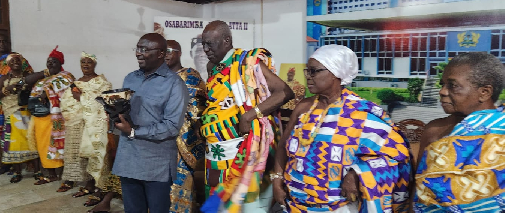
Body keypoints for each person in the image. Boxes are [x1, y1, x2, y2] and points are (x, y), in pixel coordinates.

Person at [272, 45, 411, 213]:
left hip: (338, 207)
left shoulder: (360, 112)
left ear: (335, 73)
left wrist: (357, 173)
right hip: (294, 204)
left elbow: (397, 153)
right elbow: (283, 146)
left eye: (314, 71)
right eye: (307, 71)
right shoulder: (304, 106)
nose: (308, 77)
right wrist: (277, 180)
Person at [199, 20, 294, 212]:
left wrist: (250, 115)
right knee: (217, 204)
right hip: (216, 152)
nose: (206, 49)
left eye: (210, 43)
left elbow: (284, 92)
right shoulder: (212, 67)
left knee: (247, 205)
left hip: (244, 149)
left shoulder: (247, 62)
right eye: (203, 44)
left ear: (227, 41)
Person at [414, 52, 505, 212]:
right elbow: (418, 185)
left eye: (452, 85)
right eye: (442, 84)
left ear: (485, 92)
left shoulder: (501, 129)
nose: (442, 91)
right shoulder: (434, 130)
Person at [112, 33, 189, 212]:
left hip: (156, 166)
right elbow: (127, 113)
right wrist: (115, 115)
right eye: (138, 48)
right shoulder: (130, 78)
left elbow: (171, 127)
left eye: (144, 49)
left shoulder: (174, 84)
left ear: (161, 53)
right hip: (128, 161)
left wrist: (133, 131)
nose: (138, 53)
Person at [59, 52, 122, 213]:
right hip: (77, 124)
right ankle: (89, 185)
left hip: (95, 124)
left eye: (89, 62)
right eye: (83, 62)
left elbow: (103, 102)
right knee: (83, 157)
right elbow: (66, 101)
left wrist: (81, 97)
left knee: (98, 156)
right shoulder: (75, 82)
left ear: (95, 64)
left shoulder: (102, 82)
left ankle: (101, 189)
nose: (85, 65)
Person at [165, 40, 207, 212]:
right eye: (162, 51)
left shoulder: (191, 75)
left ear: (179, 53)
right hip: (158, 140)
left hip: (182, 140)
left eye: (169, 50)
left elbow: (200, 105)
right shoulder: (156, 76)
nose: (166, 54)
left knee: (180, 184)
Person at [28, 46, 75, 185]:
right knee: (43, 146)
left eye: (54, 61)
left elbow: (63, 91)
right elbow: (27, 81)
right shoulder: (42, 78)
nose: (50, 64)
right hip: (40, 117)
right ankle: (51, 174)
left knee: (59, 145)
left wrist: (46, 93)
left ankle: (67, 175)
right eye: (48, 61)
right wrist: (44, 73)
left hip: (56, 118)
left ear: (61, 63)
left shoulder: (66, 76)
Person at [0, 53, 41, 183]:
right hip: (12, 114)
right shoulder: (4, 79)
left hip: (27, 113)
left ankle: (38, 171)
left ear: (22, 63)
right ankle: (17, 172)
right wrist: (7, 89)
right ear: (8, 64)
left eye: (18, 60)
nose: (16, 62)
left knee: (32, 141)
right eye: (12, 61)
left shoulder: (28, 76)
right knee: (14, 144)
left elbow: (39, 89)